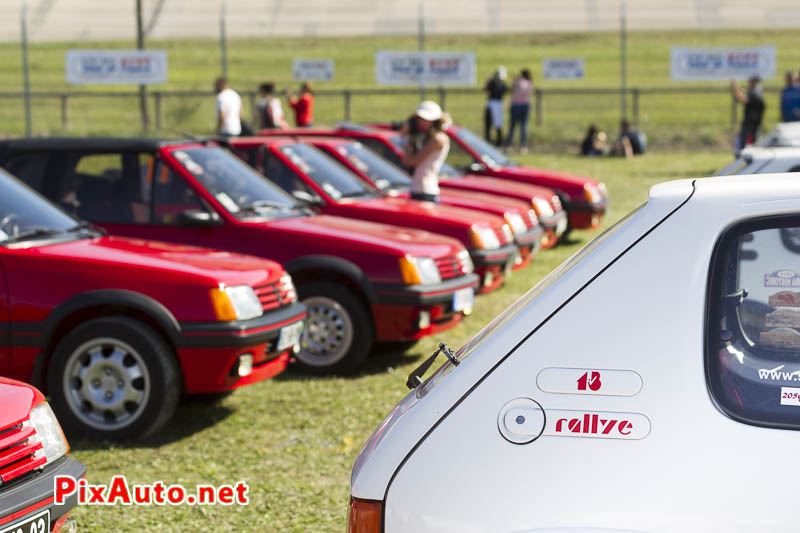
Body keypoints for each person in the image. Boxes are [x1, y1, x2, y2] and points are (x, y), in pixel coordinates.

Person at [400, 101, 450, 203]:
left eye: (426, 120)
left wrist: (405, 138)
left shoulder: (437, 139)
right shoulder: (429, 138)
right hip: (419, 189)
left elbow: (410, 161)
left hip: (425, 191)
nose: (422, 123)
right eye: (420, 119)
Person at [731, 75, 766, 150]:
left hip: (751, 123)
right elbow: (745, 94)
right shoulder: (757, 91)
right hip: (754, 122)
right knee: (755, 144)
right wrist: (738, 88)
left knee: (747, 145)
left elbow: (743, 99)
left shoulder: (754, 92)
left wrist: (735, 88)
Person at [506, 69, 533, 154]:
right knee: (523, 127)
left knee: (512, 127)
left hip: (516, 106)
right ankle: (523, 147)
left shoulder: (518, 82)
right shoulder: (529, 83)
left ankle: (509, 146)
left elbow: (511, 92)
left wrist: (515, 81)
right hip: (525, 105)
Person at [484, 66, 508, 147]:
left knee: (491, 124)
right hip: (497, 104)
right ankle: (498, 142)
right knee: (497, 125)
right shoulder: (502, 83)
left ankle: (493, 141)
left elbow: (485, 89)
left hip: (493, 104)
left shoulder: (493, 82)